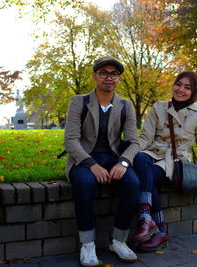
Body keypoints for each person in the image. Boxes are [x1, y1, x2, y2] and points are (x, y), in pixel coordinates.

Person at [132, 71, 197, 252]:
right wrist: (126, 156)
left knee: (146, 177)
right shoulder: (159, 107)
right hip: (153, 153)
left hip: (175, 161)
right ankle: (148, 221)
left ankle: (157, 228)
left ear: (193, 91)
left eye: (187, 87)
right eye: (178, 84)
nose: (181, 90)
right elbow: (145, 139)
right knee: (140, 158)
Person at [64, 56, 140, 266]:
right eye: (104, 73)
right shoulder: (78, 102)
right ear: (95, 76)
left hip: (113, 158)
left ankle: (118, 240)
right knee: (86, 183)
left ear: (119, 78)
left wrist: (123, 163)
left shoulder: (126, 105)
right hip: (84, 158)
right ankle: (87, 245)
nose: (109, 77)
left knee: (133, 183)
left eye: (114, 74)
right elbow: (70, 140)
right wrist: (92, 165)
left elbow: (134, 141)